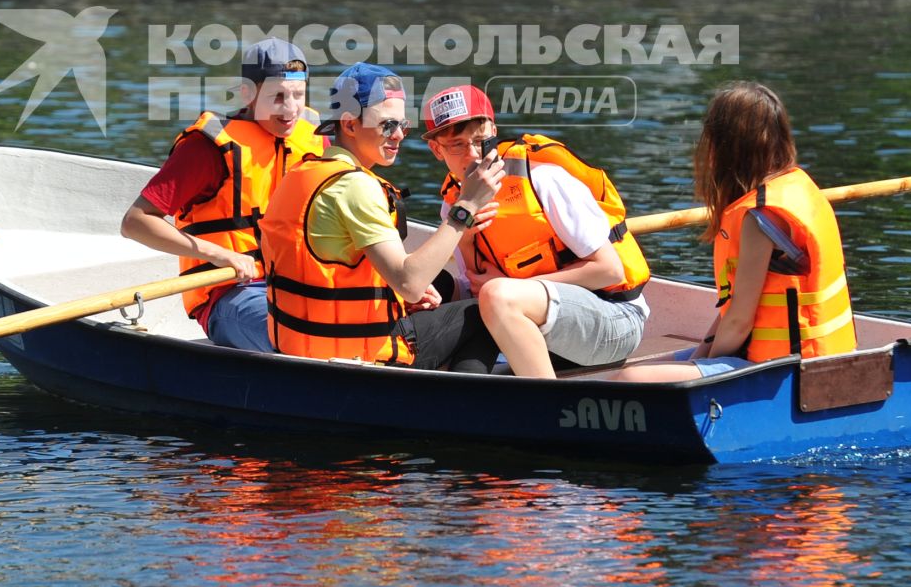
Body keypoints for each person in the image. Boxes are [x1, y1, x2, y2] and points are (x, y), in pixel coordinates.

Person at [261, 63, 503, 371]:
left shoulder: (305, 172)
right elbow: (411, 284)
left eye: (403, 124)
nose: (400, 135)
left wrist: (402, 293)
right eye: (388, 125)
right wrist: (466, 205)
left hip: (299, 345)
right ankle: (463, 410)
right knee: (484, 312)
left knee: (440, 282)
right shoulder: (355, 185)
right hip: (354, 358)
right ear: (349, 125)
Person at [617, 81, 857, 382]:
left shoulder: (760, 218)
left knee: (629, 381)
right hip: (815, 357)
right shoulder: (796, 187)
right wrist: (699, 355)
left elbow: (740, 322)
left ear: (726, 146)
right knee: (636, 372)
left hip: (789, 372)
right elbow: (735, 310)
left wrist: (700, 378)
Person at [422, 84, 651, 379]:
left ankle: (543, 407)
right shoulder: (454, 206)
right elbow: (478, 290)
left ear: (493, 129)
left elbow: (609, 271)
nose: (474, 155)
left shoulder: (542, 178)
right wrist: (465, 237)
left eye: (481, 141)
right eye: (457, 145)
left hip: (615, 319)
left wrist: (510, 286)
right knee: (429, 287)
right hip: (537, 319)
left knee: (499, 295)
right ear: (436, 149)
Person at [119, 39, 323, 352]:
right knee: (300, 338)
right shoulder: (208, 148)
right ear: (247, 94)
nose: (290, 108)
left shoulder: (314, 137)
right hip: (232, 294)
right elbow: (135, 222)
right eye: (278, 97)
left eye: (298, 95)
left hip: (299, 284)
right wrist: (221, 255)